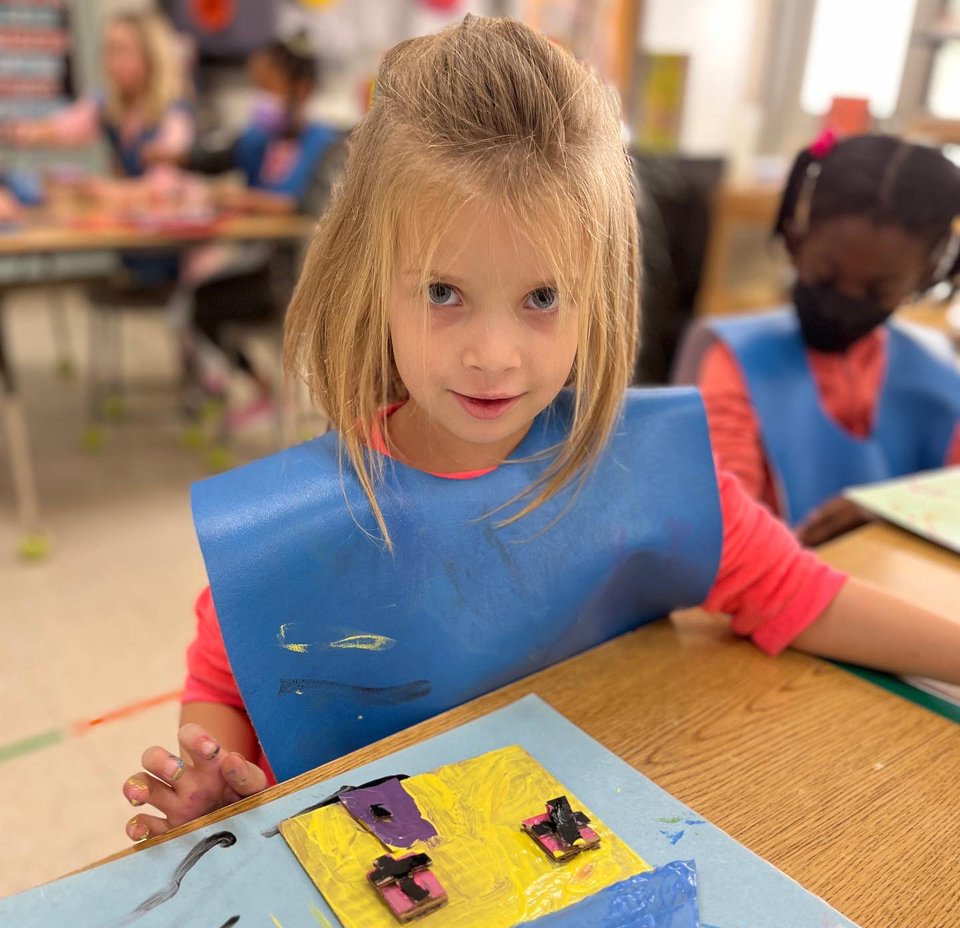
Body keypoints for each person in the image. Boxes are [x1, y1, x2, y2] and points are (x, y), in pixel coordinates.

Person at [119, 17, 960, 842]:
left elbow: (799, 592)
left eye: (543, 297)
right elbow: (226, 686)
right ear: (373, 283)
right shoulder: (295, 526)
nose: (494, 357)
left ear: (599, 291)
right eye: (444, 292)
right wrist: (211, 786)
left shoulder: (645, 474)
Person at [674, 133, 960, 546]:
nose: (843, 302)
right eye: (826, 276)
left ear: (927, 274)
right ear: (796, 238)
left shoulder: (936, 373)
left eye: (877, 291)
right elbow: (719, 526)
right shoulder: (739, 360)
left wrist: (890, 510)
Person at [172, 34, 340, 424]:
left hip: (294, 277)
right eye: (256, 87)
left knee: (198, 304)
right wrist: (173, 156)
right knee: (195, 303)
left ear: (302, 90)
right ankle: (256, 387)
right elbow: (212, 157)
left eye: (268, 88)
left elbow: (303, 206)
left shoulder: (323, 143)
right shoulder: (260, 139)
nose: (259, 97)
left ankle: (259, 389)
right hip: (260, 264)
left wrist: (241, 200)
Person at [12, 9, 194, 288]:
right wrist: (20, 131)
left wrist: (103, 190)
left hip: (177, 251)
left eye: (122, 51)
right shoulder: (108, 106)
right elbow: (61, 127)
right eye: (108, 51)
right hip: (134, 241)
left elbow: (165, 187)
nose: (111, 62)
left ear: (151, 56)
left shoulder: (173, 112)